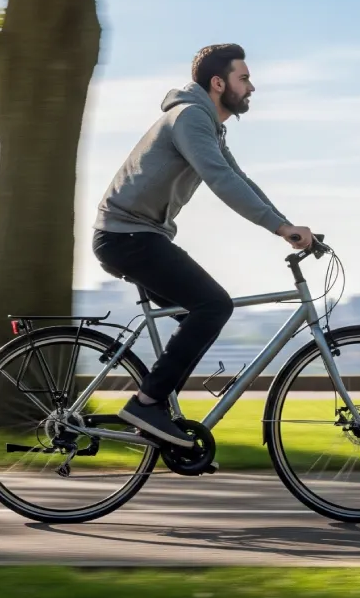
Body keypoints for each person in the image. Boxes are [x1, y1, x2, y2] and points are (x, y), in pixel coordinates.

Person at [92, 43, 314, 447]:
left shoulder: (206, 123)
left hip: (136, 236)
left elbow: (239, 177)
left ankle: (162, 419)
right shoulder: (192, 117)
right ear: (218, 82)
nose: (251, 87)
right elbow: (221, 181)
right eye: (243, 78)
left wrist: (285, 224)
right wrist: (280, 228)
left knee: (198, 316)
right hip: (127, 237)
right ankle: (146, 405)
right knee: (214, 305)